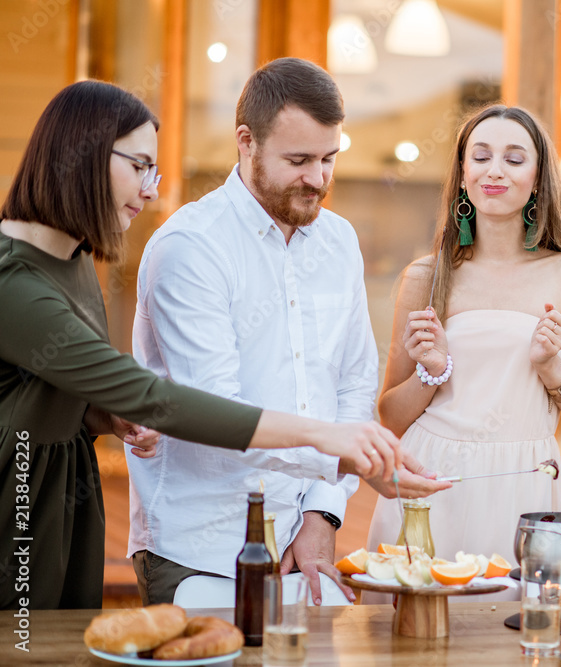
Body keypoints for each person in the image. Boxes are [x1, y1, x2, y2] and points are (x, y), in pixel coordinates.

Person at [0, 80, 431, 610]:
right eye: (139, 167)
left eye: (329, 158)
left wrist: (100, 416)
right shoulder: (21, 281)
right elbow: (169, 402)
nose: (152, 188)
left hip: (70, 496)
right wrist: (335, 447)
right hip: (26, 499)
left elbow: (60, 388)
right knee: (24, 646)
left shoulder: (73, 262)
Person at [127, 58, 451, 607]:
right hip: (200, 551)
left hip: (305, 545)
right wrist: (348, 460)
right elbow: (217, 414)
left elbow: (350, 387)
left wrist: (324, 510)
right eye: (298, 160)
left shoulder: (339, 242)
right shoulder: (189, 249)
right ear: (246, 142)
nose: (319, 179)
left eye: (329, 159)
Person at [366, 105, 561, 578]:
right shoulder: (426, 277)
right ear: (463, 176)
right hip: (432, 481)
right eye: (480, 157)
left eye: (514, 158)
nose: (495, 170)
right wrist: (433, 371)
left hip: (523, 483)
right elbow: (391, 417)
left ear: (539, 179)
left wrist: (555, 374)